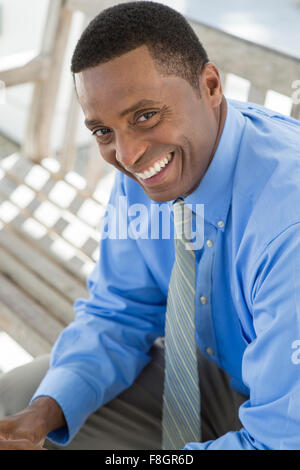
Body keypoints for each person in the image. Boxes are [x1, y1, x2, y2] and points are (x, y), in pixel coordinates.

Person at [0, 0, 300, 451]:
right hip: (218, 370)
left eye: (145, 116)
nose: (127, 155)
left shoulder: (287, 225)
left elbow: (279, 441)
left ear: (211, 85)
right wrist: (39, 417)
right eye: (103, 131)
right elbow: (120, 310)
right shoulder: (150, 172)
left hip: (284, 408)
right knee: (16, 401)